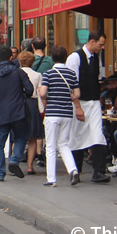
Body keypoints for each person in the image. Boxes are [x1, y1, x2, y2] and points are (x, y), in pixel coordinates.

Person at [0, 45, 33, 182]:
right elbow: (30, 90)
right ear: (11, 57)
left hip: (0, 113)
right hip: (18, 112)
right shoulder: (19, 73)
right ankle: (14, 160)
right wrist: (21, 96)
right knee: (21, 137)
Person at [66, 29, 110, 183]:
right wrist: (77, 106)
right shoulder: (74, 58)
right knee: (77, 135)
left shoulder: (96, 58)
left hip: (94, 102)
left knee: (98, 134)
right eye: (101, 44)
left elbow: (95, 79)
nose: (102, 47)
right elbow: (71, 84)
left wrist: (105, 86)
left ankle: (99, 171)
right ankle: (75, 169)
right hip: (81, 102)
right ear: (92, 41)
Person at [39, 45, 81, 186]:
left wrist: (47, 99)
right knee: (63, 144)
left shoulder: (49, 74)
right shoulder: (71, 74)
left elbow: (43, 92)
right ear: (65, 57)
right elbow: (77, 94)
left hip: (52, 113)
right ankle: (73, 170)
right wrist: (68, 98)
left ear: (52, 58)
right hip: (67, 113)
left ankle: (51, 179)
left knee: (51, 147)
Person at [19, 51, 43, 175]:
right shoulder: (37, 75)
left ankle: (16, 161)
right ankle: (30, 166)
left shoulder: (17, 73)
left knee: (18, 135)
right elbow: (40, 93)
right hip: (33, 105)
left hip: (20, 104)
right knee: (33, 137)